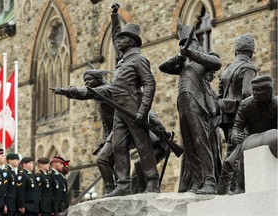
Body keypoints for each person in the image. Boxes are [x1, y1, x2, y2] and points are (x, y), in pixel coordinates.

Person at [159, 21, 222, 194]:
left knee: (200, 141)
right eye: (180, 44)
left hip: (197, 103)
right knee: (189, 145)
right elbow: (162, 67)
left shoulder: (202, 60)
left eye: (184, 43)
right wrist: (179, 57)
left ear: (195, 43)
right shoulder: (183, 65)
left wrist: (192, 54)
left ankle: (210, 182)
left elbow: (217, 62)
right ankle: (197, 181)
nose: (182, 46)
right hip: (183, 104)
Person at [104, 3, 160, 197]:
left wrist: (143, 110)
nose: (118, 41)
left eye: (123, 39)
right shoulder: (123, 59)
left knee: (143, 145)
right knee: (118, 146)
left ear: (132, 41)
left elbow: (150, 84)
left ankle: (152, 181)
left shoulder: (138, 60)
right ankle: (123, 184)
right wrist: (113, 16)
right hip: (119, 109)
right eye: (118, 39)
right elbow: (114, 35)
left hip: (134, 106)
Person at [217, 75, 277, 195]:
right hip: (250, 139)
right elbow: (237, 126)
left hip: (271, 138)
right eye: (253, 89)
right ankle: (229, 190)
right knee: (230, 162)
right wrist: (235, 136)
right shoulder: (246, 104)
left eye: (258, 90)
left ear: (269, 91)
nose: (254, 92)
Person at [218, 33, 257, 157]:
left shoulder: (226, 70)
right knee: (240, 150)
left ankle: (228, 174)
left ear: (236, 52)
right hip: (240, 115)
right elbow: (247, 93)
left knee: (231, 149)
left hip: (225, 116)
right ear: (250, 53)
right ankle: (233, 175)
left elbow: (220, 94)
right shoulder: (248, 68)